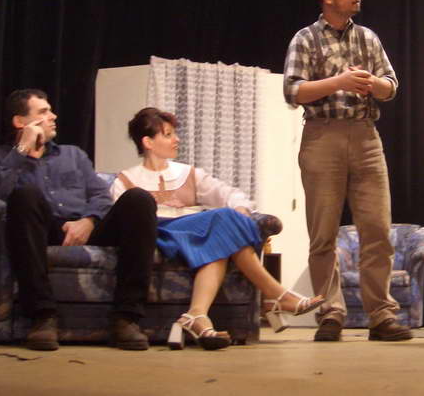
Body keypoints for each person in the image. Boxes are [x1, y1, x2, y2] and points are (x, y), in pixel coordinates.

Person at [111, 107, 324, 350]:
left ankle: (197, 314)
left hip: (191, 233)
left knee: (223, 231)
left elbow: (229, 194)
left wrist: (241, 210)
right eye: (168, 135)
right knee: (223, 221)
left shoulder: (188, 174)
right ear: (148, 142)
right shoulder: (125, 180)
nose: (176, 139)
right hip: (158, 235)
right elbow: (122, 225)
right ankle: (275, 295)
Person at [282, 0, 411, 342]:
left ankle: (381, 315)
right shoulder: (306, 38)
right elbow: (293, 91)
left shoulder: (367, 37)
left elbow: (391, 85)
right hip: (323, 136)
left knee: (377, 230)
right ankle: (331, 313)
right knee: (323, 233)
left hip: (366, 136)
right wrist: (339, 82)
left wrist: (374, 84)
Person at [0, 89, 158, 351]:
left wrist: (89, 220)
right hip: (41, 230)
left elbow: (100, 196)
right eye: (43, 112)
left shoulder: (73, 155)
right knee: (25, 196)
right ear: (20, 122)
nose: (53, 116)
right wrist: (21, 150)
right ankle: (42, 317)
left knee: (139, 199)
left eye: (51, 110)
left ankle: (126, 318)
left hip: (86, 227)